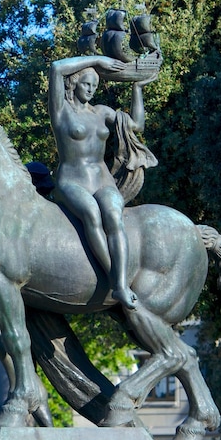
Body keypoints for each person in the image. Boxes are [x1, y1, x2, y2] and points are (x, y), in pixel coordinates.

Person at [48, 56, 157, 310]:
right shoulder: (61, 110)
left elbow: (137, 125)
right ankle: (116, 281)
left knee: (113, 215)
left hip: (102, 179)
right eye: (87, 84)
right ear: (74, 84)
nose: (91, 90)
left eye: (95, 86)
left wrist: (137, 88)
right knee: (91, 214)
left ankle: (120, 283)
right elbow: (56, 68)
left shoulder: (102, 113)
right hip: (72, 181)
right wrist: (97, 60)